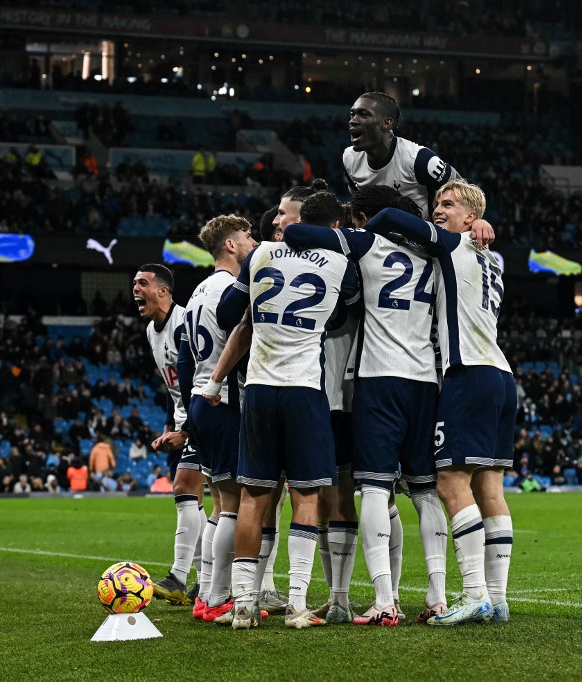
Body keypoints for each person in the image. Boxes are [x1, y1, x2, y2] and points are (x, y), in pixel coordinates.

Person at [284, 184, 452, 626]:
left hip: (380, 380)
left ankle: (384, 601)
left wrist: (364, 231)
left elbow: (298, 234)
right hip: (426, 380)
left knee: (375, 488)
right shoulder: (435, 256)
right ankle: (438, 597)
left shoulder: (368, 243)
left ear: (364, 217)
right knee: (425, 492)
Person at [359, 180, 512, 626]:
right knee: (490, 489)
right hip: (502, 376)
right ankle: (498, 599)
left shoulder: (452, 244)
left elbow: (388, 217)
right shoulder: (492, 261)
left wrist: (366, 231)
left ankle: (475, 593)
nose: (437, 210)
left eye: (447, 204)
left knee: (449, 483)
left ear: (470, 217)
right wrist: (477, 223)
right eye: (437, 203)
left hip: (468, 374)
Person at [209, 192, 361, 630]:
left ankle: (243, 605)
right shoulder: (339, 263)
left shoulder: (259, 256)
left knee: (254, 497)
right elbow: (345, 313)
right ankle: (296, 605)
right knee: (306, 496)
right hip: (304, 390)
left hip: (259, 387)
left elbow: (228, 314)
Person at [177, 215, 258, 622]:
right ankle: (218, 596)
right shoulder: (231, 289)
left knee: (220, 503)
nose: (253, 242)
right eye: (247, 236)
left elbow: (184, 358)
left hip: (200, 400)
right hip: (223, 400)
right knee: (233, 504)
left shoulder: (197, 291)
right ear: (230, 245)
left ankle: (207, 596)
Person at [133, 263, 203, 604]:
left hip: (203, 417)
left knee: (184, 487)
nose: (135, 289)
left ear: (163, 290)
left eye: (142, 283)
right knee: (192, 502)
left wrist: (187, 430)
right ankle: (206, 579)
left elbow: (202, 379)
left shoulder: (185, 322)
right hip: (182, 421)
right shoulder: (151, 331)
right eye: (134, 283)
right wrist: (168, 425)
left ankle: (178, 576)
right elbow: (170, 384)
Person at [343, 91, 459, 217]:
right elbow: (359, 202)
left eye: (363, 114)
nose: (352, 121)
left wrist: (472, 222)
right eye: (352, 114)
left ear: (387, 123)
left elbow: (463, 190)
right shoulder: (349, 158)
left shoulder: (419, 159)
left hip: (419, 229)